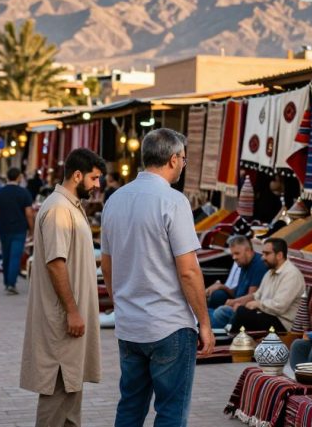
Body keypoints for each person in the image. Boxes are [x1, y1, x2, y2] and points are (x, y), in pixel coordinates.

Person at [100, 128, 214, 427]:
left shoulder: (115, 199)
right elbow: (188, 270)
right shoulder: (173, 201)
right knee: (171, 411)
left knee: (130, 406)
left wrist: (121, 302)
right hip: (169, 323)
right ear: (173, 159)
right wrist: (204, 322)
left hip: (130, 323)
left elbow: (107, 264)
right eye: (184, 159)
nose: (183, 165)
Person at [21, 148, 106, 427]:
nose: (97, 185)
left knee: (70, 395)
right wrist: (72, 311)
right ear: (77, 175)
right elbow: (56, 264)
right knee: (58, 396)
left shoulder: (70, 206)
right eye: (94, 178)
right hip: (62, 322)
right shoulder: (59, 209)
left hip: (70, 322)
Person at [227, 237, 306, 333]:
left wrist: (257, 304)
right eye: (263, 253)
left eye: (267, 254)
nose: (262, 257)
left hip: (283, 324)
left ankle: (229, 338)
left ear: (279, 255)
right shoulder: (270, 272)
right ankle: (229, 336)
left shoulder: (291, 275)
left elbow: (279, 306)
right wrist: (243, 304)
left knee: (242, 313)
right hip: (268, 315)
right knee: (238, 310)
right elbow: (257, 295)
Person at [0, 168, 34, 295]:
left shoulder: (0, 192)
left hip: (3, 228)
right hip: (19, 229)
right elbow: (29, 213)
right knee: (15, 256)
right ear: (19, 177)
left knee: (6, 254)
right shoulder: (24, 192)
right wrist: (32, 229)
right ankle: (11, 283)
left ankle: (7, 282)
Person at [209, 235, 268, 328]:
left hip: (246, 310)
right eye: (232, 254)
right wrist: (222, 286)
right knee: (206, 310)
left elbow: (252, 296)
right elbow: (237, 293)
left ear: (248, 251)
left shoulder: (259, 265)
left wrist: (234, 302)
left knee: (218, 313)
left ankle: (211, 333)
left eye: (237, 253)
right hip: (237, 305)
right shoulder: (244, 263)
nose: (234, 257)